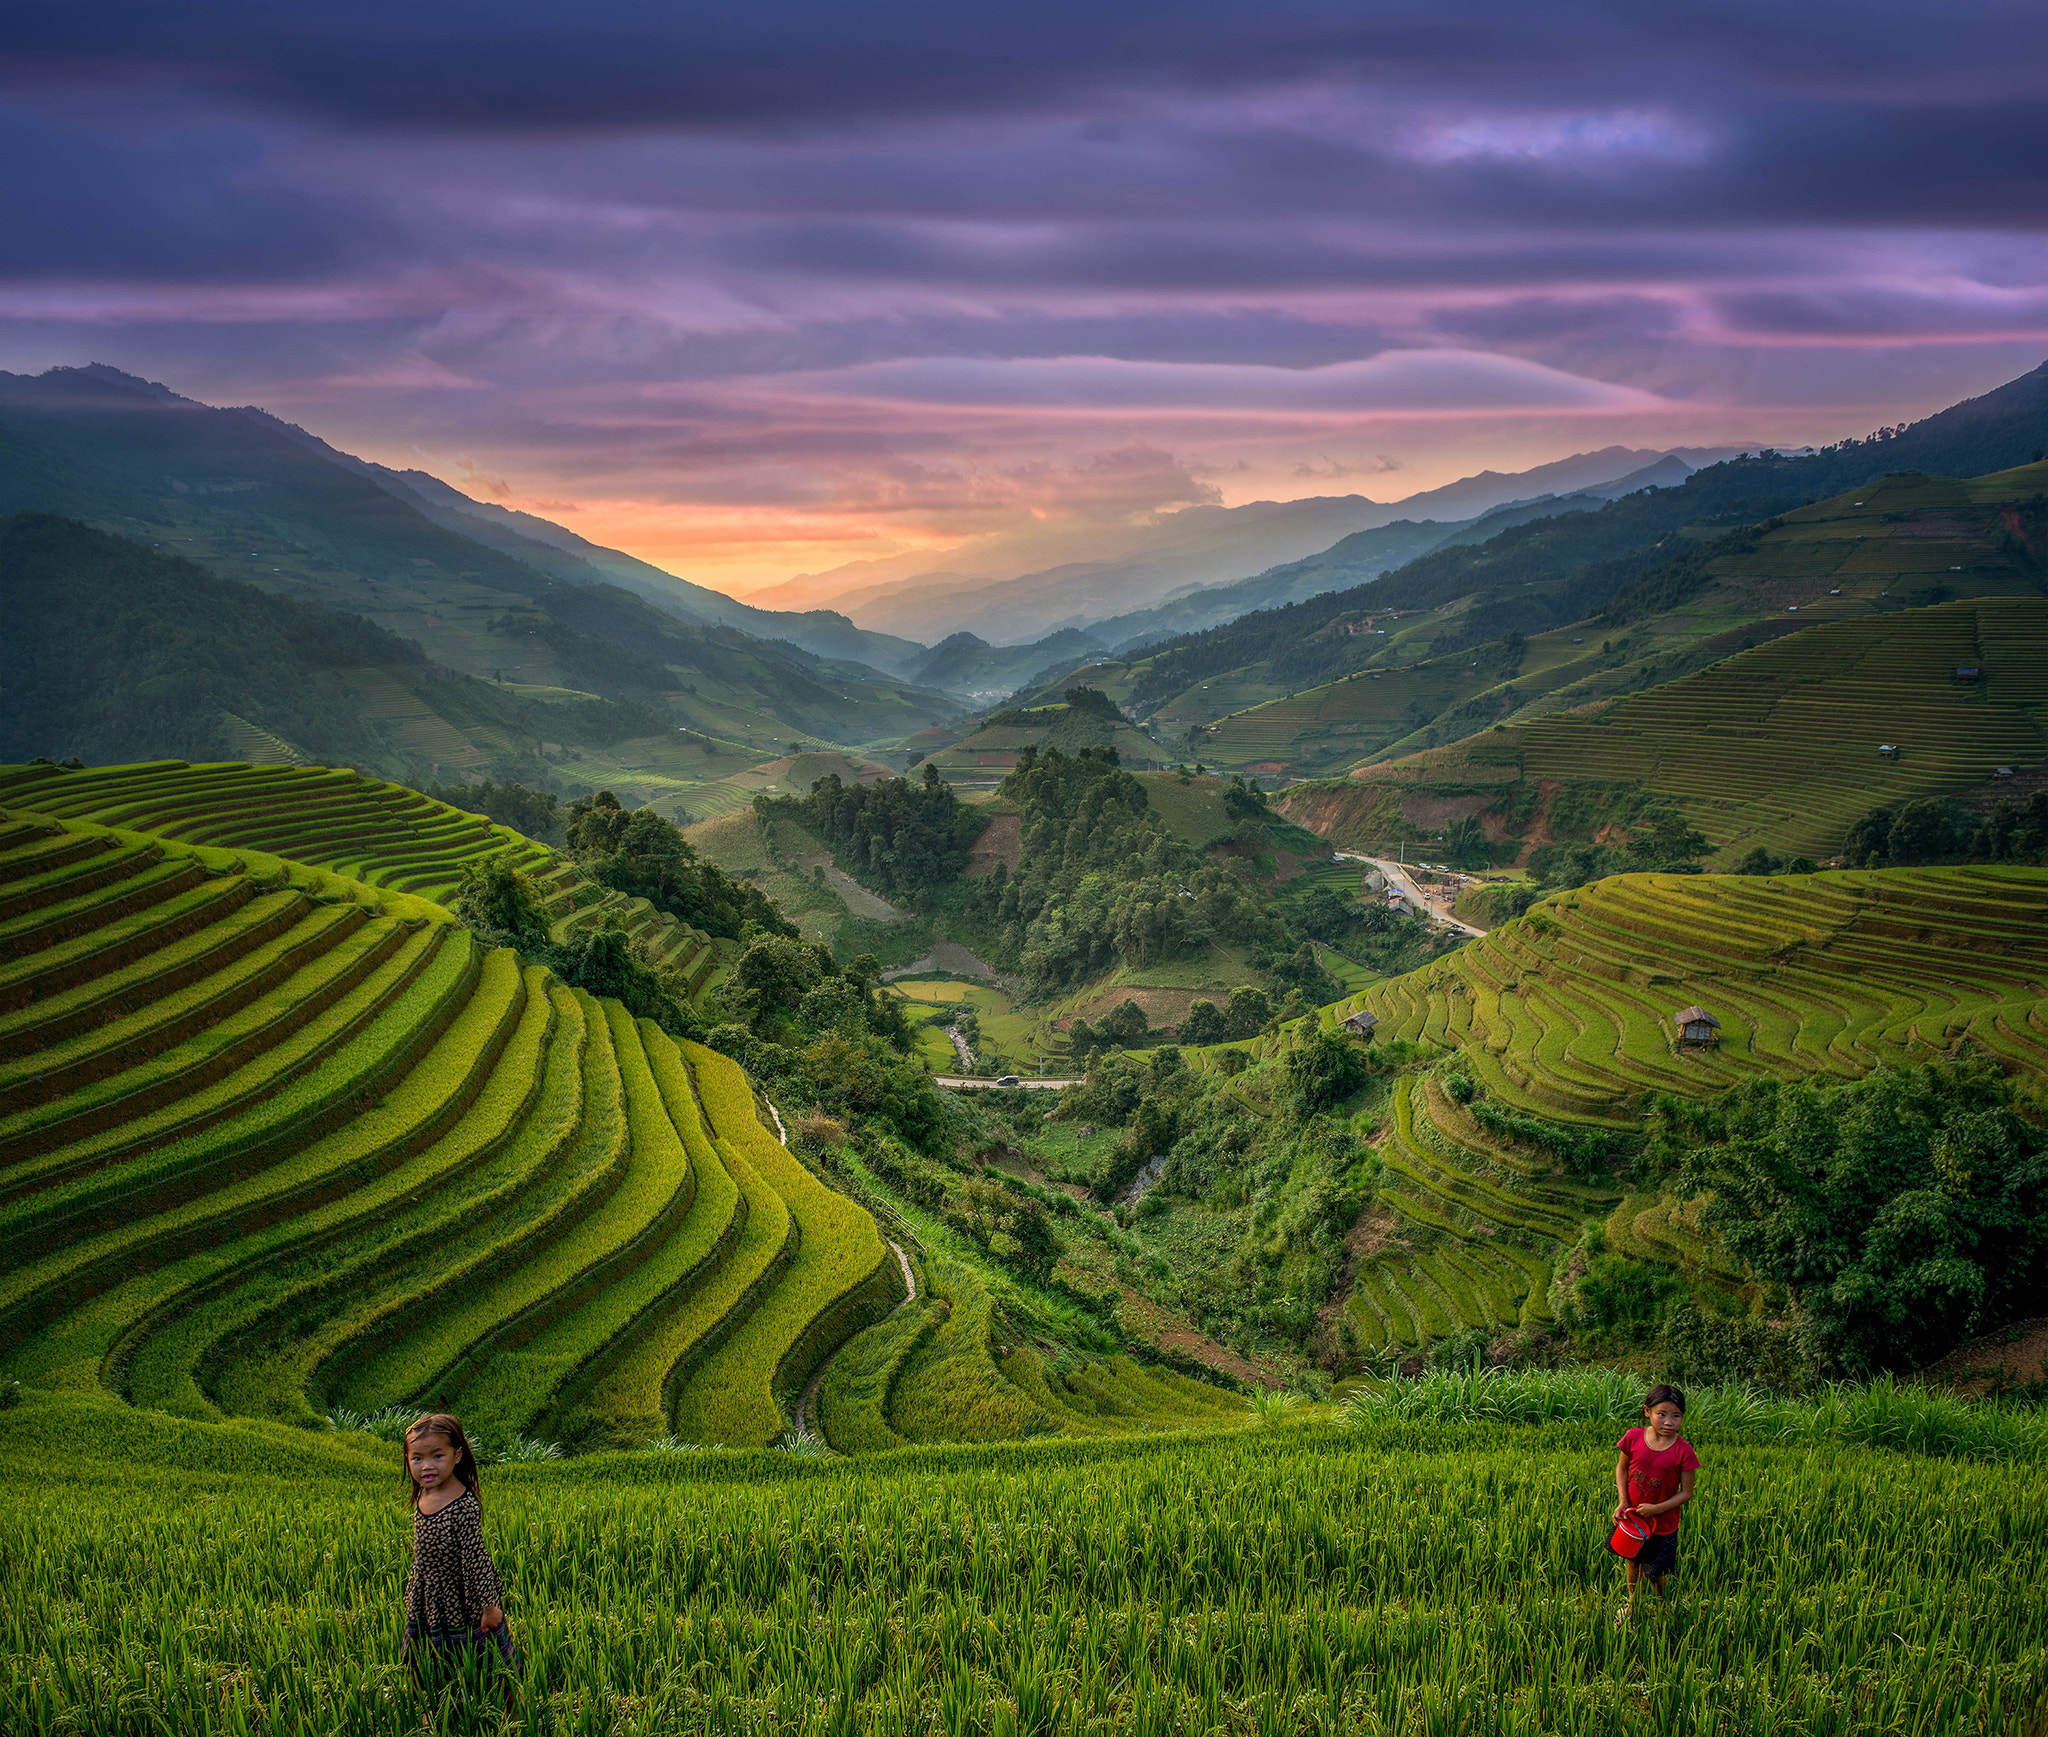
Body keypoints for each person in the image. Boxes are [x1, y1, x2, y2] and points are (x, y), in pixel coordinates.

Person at [401, 1413, 516, 1697]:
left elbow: (477, 1560)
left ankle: (509, 1708)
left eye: (437, 1456)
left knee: (485, 1657)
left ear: (457, 1455)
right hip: (429, 1597)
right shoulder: (424, 1494)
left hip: (462, 1599)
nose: (426, 1466)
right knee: (426, 1654)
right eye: (417, 1458)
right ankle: (432, 1703)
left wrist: (489, 1608)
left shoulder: (463, 1506)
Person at [1611, 1383, 1699, 1622]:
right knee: (1632, 1563)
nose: (1668, 1422)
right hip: (1633, 1520)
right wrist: (1622, 1502)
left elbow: (1687, 1493)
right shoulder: (1633, 1437)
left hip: (1663, 1525)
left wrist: (1656, 1510)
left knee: (1656, 1572)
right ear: (1647, 1411)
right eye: (1661, 1414)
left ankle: (1663, 1606)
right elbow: (1622, 1470)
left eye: (1676, 1416)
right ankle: (1633, 1605)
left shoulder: (1684, 1452)